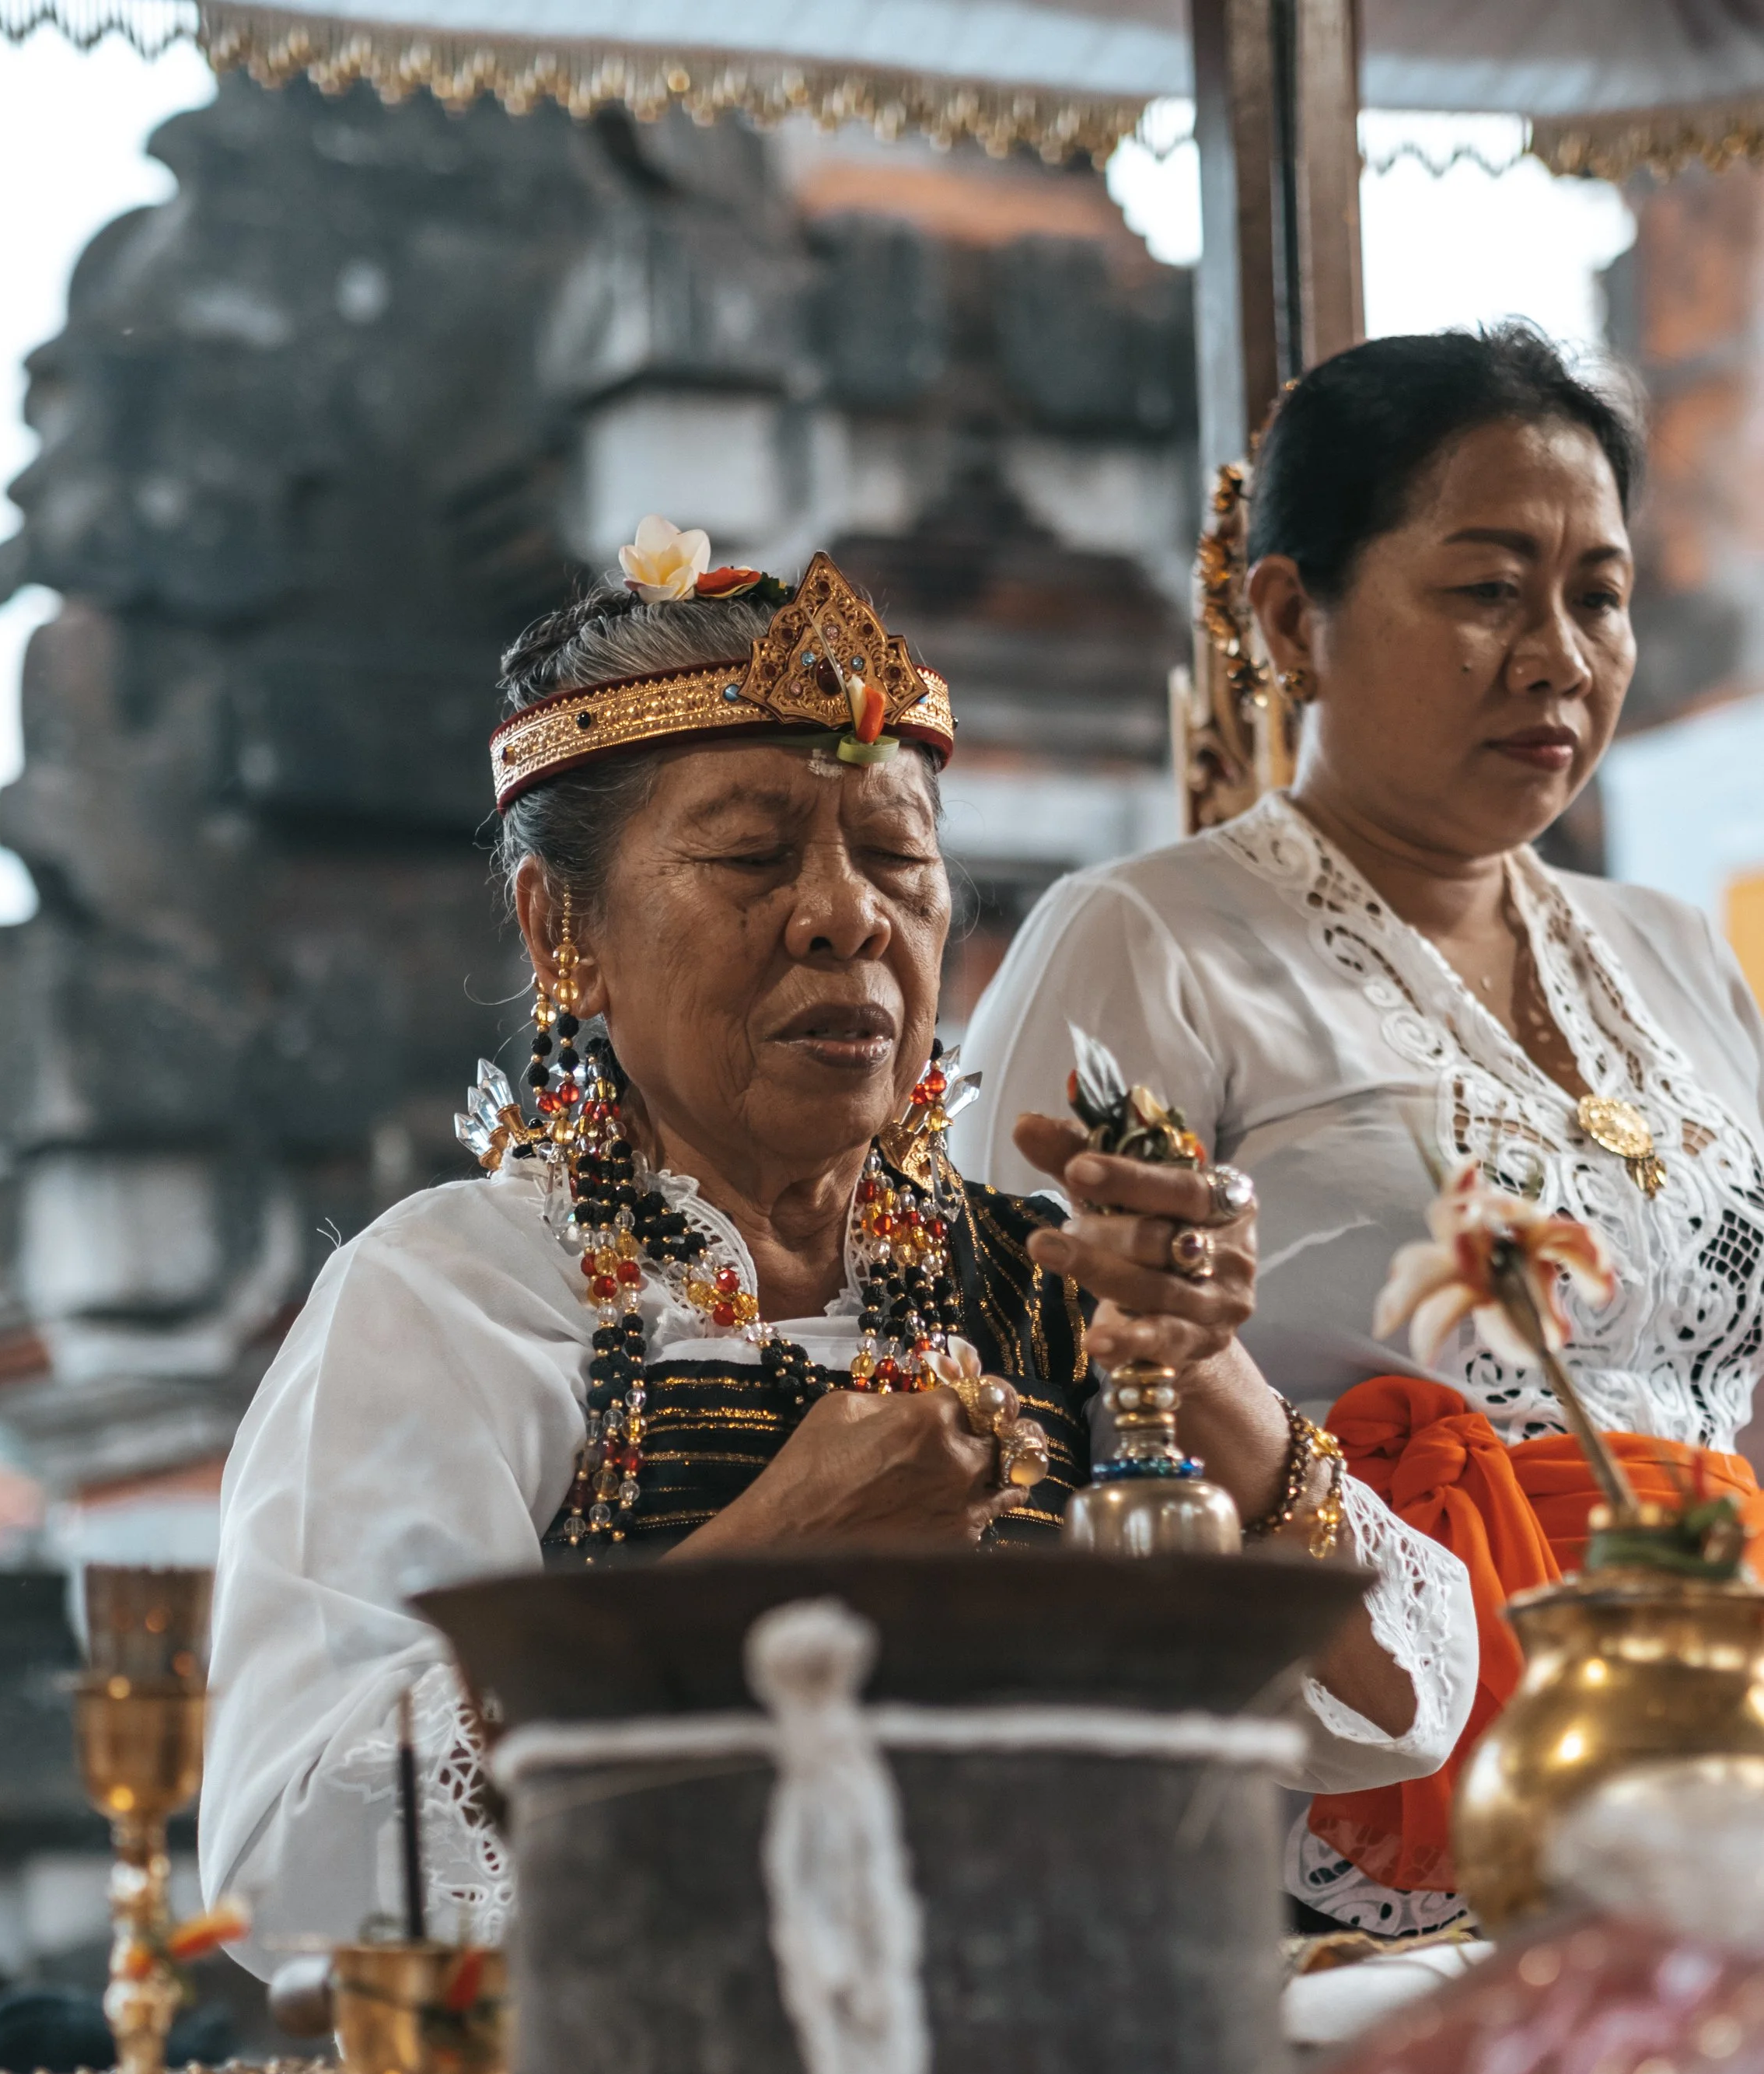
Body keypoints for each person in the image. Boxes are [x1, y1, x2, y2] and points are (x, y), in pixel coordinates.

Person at [199, 522, 1472, 1955]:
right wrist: (767, 1565)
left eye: (894, 856)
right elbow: (290, 1868)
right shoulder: (457, 1301)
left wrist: (1205, 1370)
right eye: (751, 856)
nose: (845, 916)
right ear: (566, 935)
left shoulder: (1040, 1283)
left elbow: (1400, 1712)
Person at [959, 325, 1764, 1938]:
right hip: (1352, 1795)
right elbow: (1005, 1421)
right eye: (1484, 590)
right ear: (1286, 619)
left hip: (1715, 1781)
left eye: (1594, 595)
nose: (1556, 655)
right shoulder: (1142, 937)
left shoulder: (1676, 953)